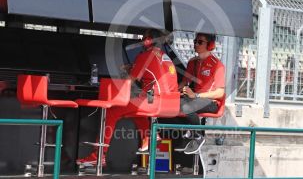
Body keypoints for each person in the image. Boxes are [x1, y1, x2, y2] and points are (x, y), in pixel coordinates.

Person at [76, 29, 178, 167]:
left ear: (148, 40)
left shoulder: (145, 55)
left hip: (153, 101)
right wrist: (134, 69)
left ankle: (98, 155)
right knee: (136, 111)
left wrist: (124, 73)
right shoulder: (166, 57)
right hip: (169, 103)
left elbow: (130, 81)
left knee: (112, 111)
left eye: (143, 38)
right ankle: (150, 136)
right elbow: (150, 74)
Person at [178, 33, 225, 154]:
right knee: (173, 105)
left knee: (187, 107)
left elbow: (220, 92)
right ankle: (188, 133)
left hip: (211, 102)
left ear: (210, 45)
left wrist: (196, 95)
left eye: (200, 42)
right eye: (195, 41)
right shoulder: (192, 62)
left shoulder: (218, 65)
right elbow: (184, 82)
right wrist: (171, 92)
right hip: (194, 99)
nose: (195, 44)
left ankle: (198, 136)